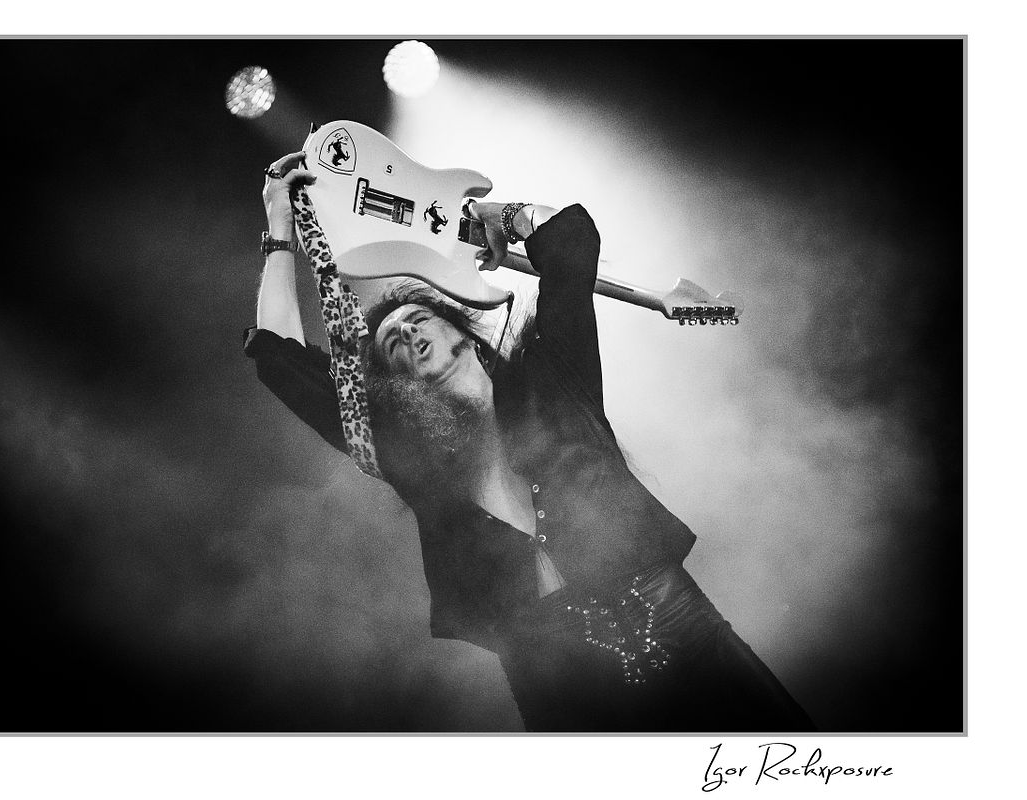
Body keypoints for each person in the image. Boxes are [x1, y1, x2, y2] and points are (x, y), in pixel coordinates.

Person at [245, 151, 814, 732]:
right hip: (569, 701)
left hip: (693, 643)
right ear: (398, 389)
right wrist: (279, 229)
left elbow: (569, 238)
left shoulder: (555, 384)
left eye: (418, 319)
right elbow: (279, 360)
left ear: (464, 332)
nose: (409, 332)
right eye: (392, 342)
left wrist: (496, 216)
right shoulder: (414, 464)